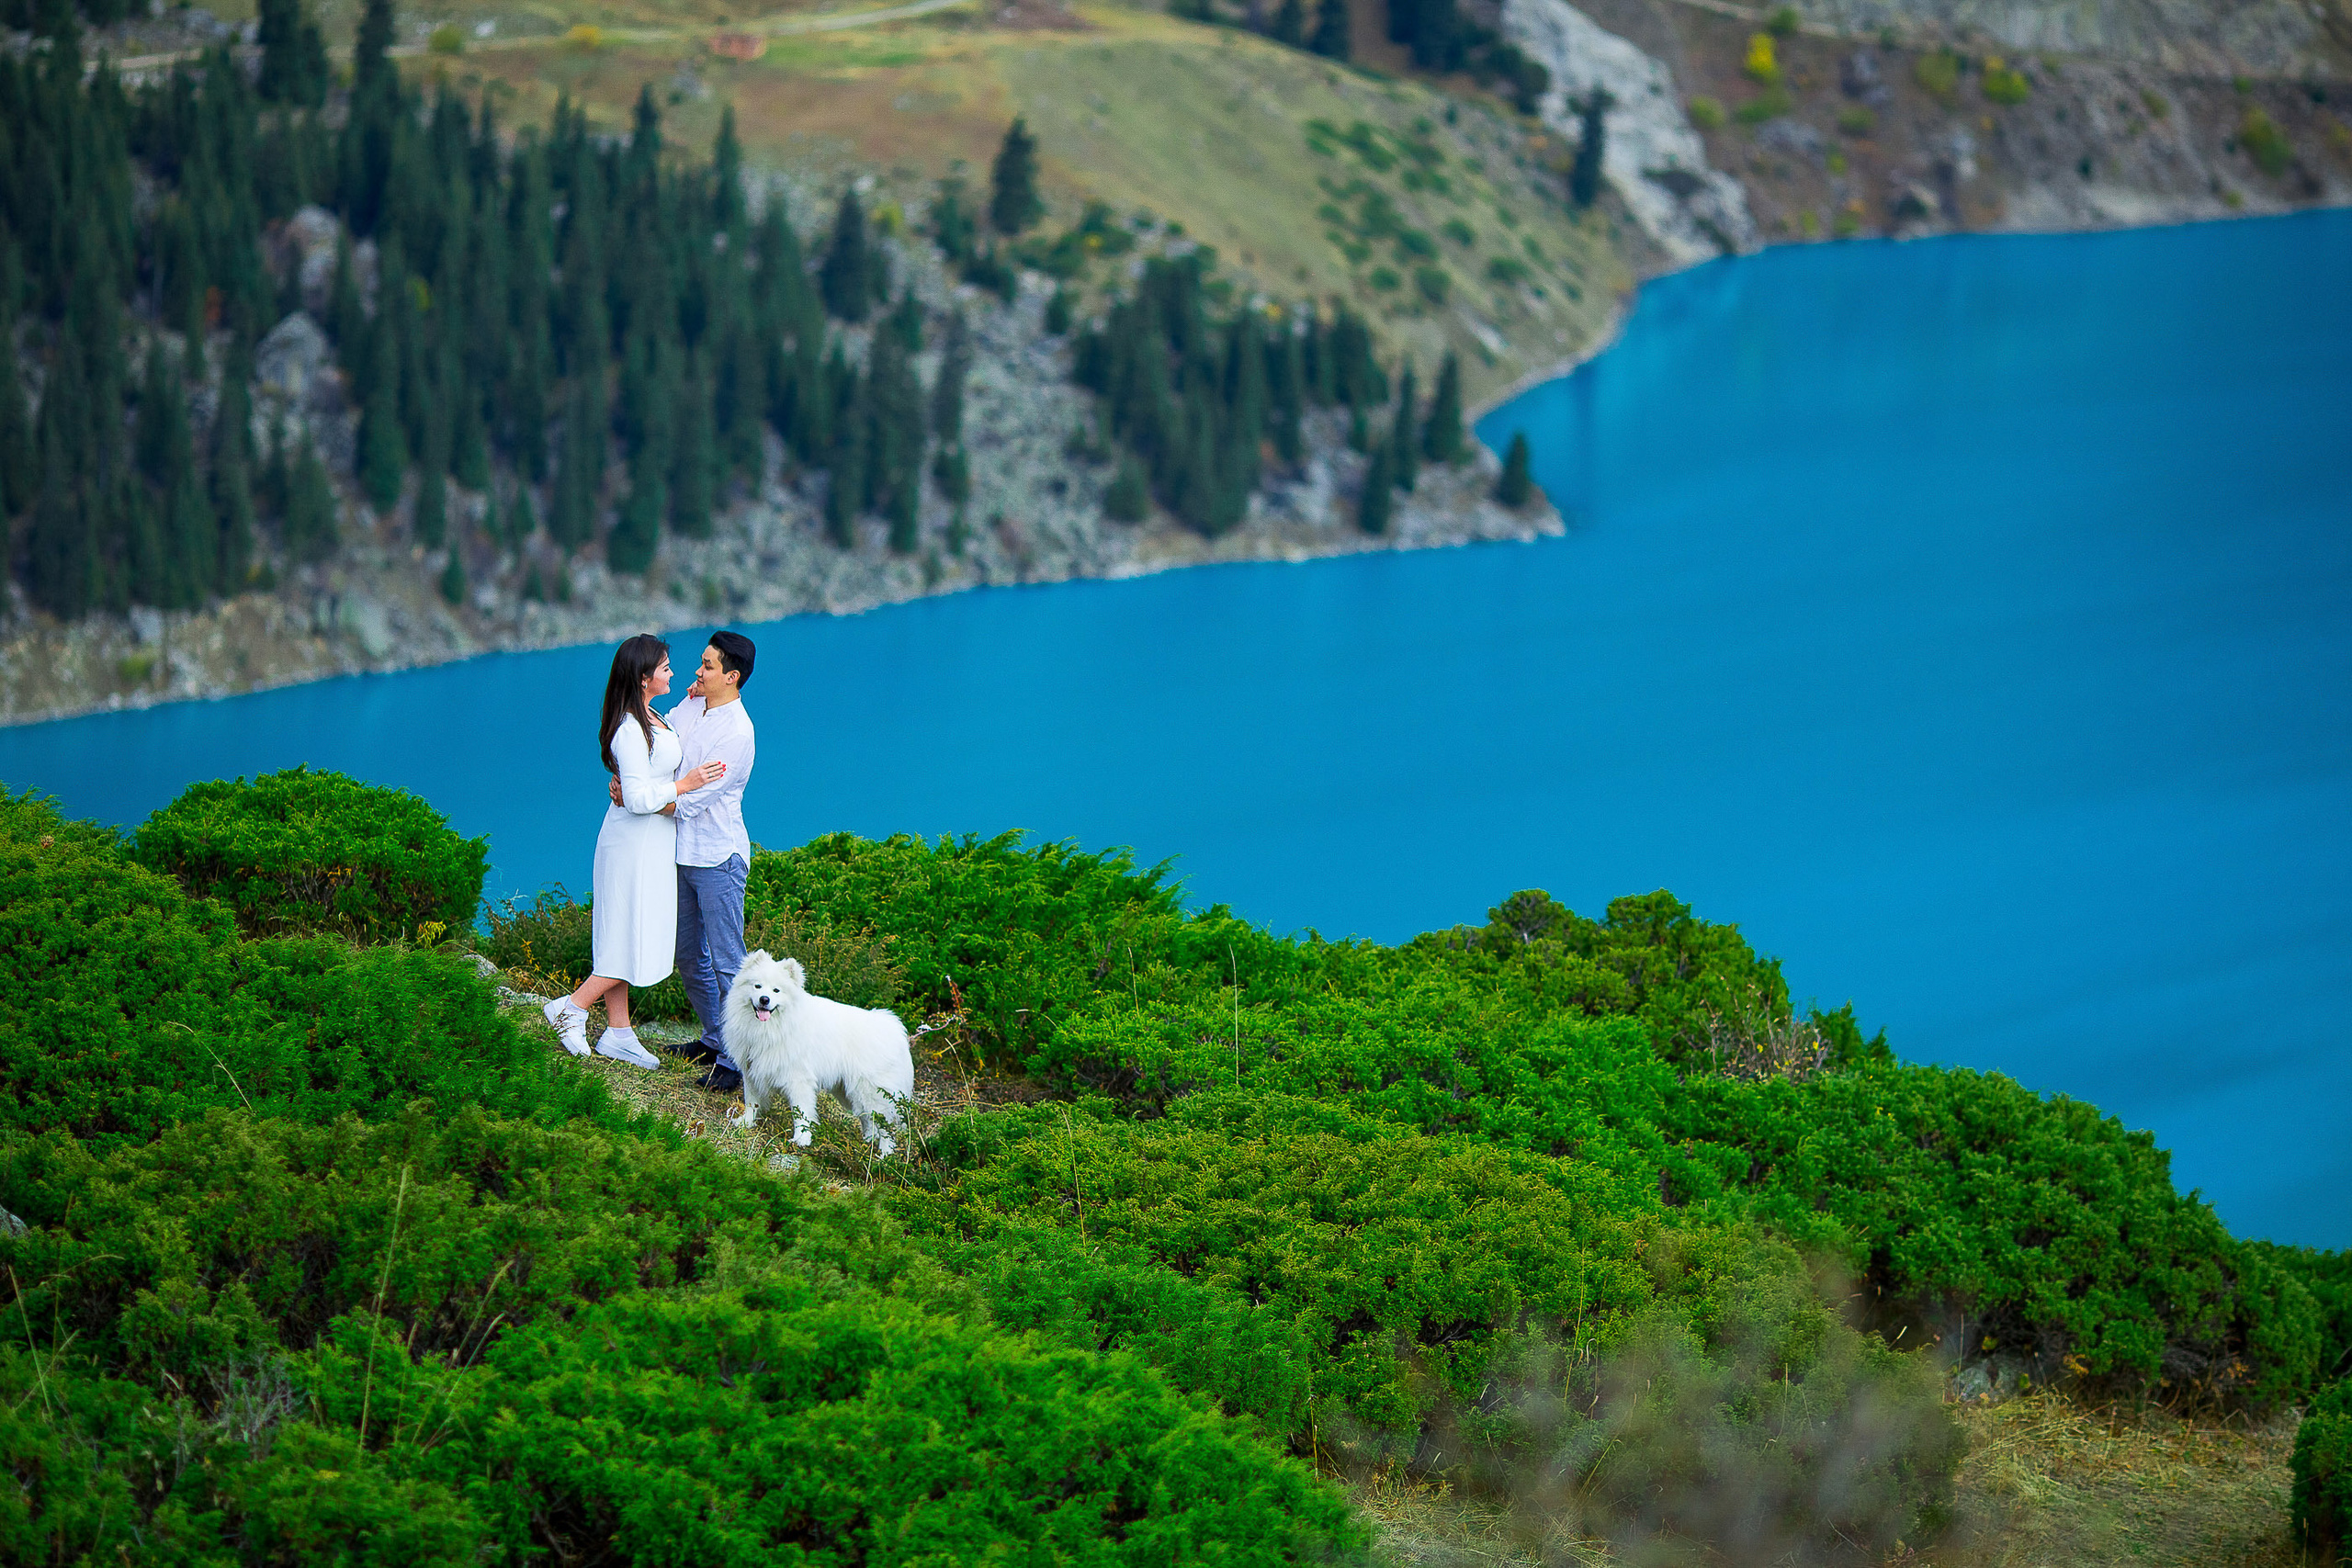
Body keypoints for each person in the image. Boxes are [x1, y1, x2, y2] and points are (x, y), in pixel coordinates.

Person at [545, 634, 727, 1066]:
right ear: (644, 678)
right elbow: (641, 798)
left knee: (623, 933)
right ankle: (569, 1009)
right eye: (665, 667)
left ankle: (619, 1032)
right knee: (628, 937)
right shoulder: (629, 729)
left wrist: (693, 698)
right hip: (630, 846)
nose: (673, 672)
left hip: (650, 846)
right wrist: (687, 783)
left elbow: (643, 780)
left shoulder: (653, 715)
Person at [605, 630, 758, 1093]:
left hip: (718, 857)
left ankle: (740, 1061)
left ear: (731, 677)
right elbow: (652, 745)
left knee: (730, 962)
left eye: (708, 666)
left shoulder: (738, 733)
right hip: (678, 853)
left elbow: (690, 802)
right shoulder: (690, 706)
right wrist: (626, 783)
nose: (698, 670)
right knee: (690, 956)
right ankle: (715, 1040)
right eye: (700, 662)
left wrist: (639, 801)